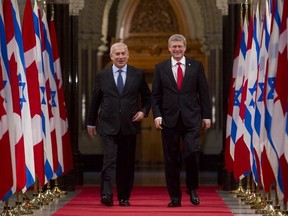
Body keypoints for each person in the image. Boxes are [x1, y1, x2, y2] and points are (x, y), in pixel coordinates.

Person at [86, 42, 151, 207]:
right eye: (117, 54)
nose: (121, 57)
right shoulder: (102, 76)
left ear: (128, 55)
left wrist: (143, 111)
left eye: (123, 54)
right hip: (107, 125)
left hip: (129, 125)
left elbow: (147, 97)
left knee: (126, 163)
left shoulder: (137, 74)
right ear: (111, 56)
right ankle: (107, 194)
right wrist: (90, 123)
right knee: (109, 160)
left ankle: (124, 196)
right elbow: (95, 100)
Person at [151, 34, 212, 207]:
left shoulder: (196, 66)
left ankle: (192, 188)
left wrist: (206, 116)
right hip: (169, 120)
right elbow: (155, 96)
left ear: (185, 47)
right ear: (169, 48)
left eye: (180, 46)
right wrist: (157, 115)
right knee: (171, 159)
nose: (177, 49)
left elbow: (204, 93)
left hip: (192, 118)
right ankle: (175, 197)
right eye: (174, 46)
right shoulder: (161, 68)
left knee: (192, 153)